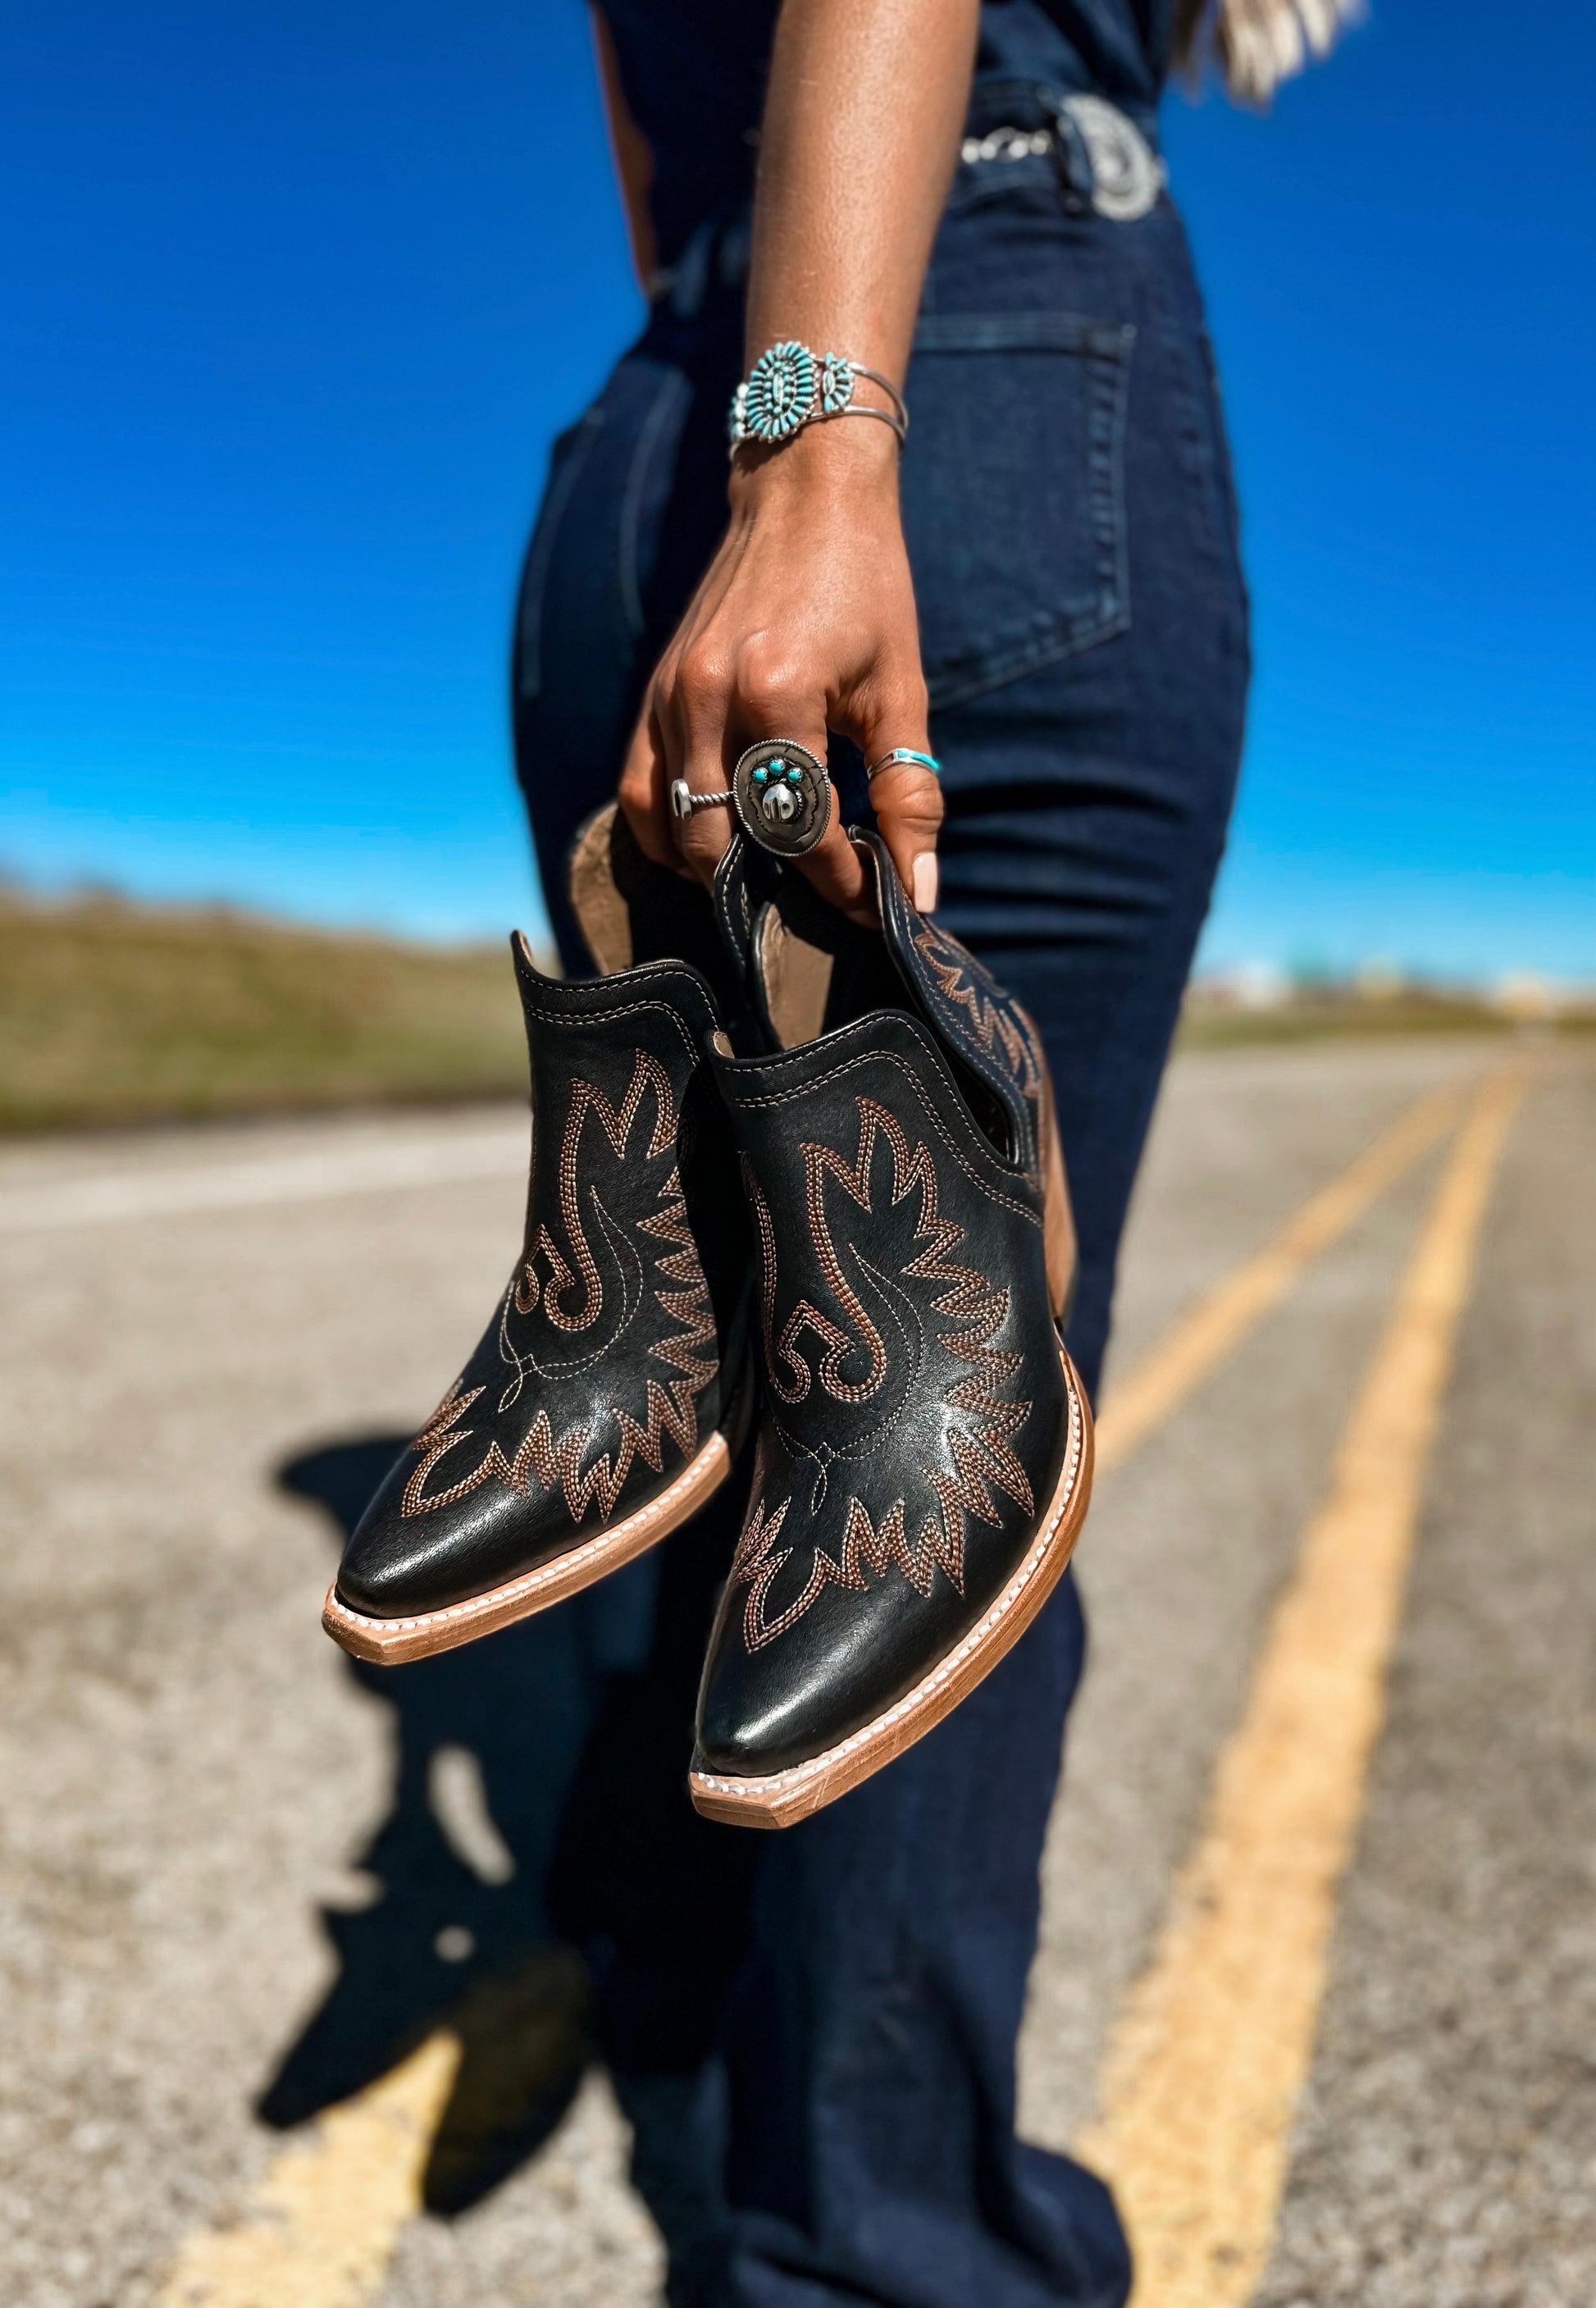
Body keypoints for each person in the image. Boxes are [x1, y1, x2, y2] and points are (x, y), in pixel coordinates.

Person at [513, 3, 1348, 2301]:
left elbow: (650, 140)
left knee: (749, 1314)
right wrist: (818, 460)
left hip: (648, 436)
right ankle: (881, 2255)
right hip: (947, 377)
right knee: (935, 1409)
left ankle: (669, 1948)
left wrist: (742, 382)